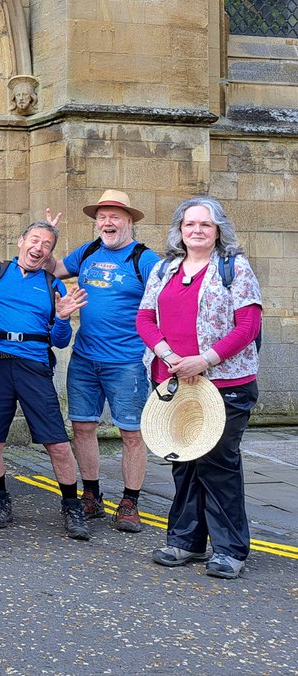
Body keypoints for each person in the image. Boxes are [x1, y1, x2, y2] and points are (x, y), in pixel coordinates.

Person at [137, 197, 262, 580]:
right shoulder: (164, 268)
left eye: (205, 225)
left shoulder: (235, 267)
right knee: (183, 462)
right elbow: (144, 317)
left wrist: (204, 360)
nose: (197, 230)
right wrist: (168, 355)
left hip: (225, 383)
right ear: (179, 230)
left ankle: (229, 549)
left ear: (218, 230)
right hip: (173, 380)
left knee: (218, 464)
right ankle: (185, 541)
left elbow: (248, 325)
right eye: (190, 224)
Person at [0, 220, 90, 540]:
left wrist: (63, 318)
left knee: (58, 443)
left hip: (34, 365)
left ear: (50, 252)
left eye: (46, 245)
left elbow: (61, 341)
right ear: (21, 240)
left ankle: (71, 506)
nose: (38, 248)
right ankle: (0, 502)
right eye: (34, 240)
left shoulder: (54, 285)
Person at [49, 190, 160, 532]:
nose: (107, 222)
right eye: (102, 217)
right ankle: (92, 496)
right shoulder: (89, 251)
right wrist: (49, 237)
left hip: (127, 361)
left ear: (129, 221)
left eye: (114, 216)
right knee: (83, 427)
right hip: (84, 357)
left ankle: (129, 502)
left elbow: (163, 304)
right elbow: (53, 267)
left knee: (132, 434)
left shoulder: (145, 258)